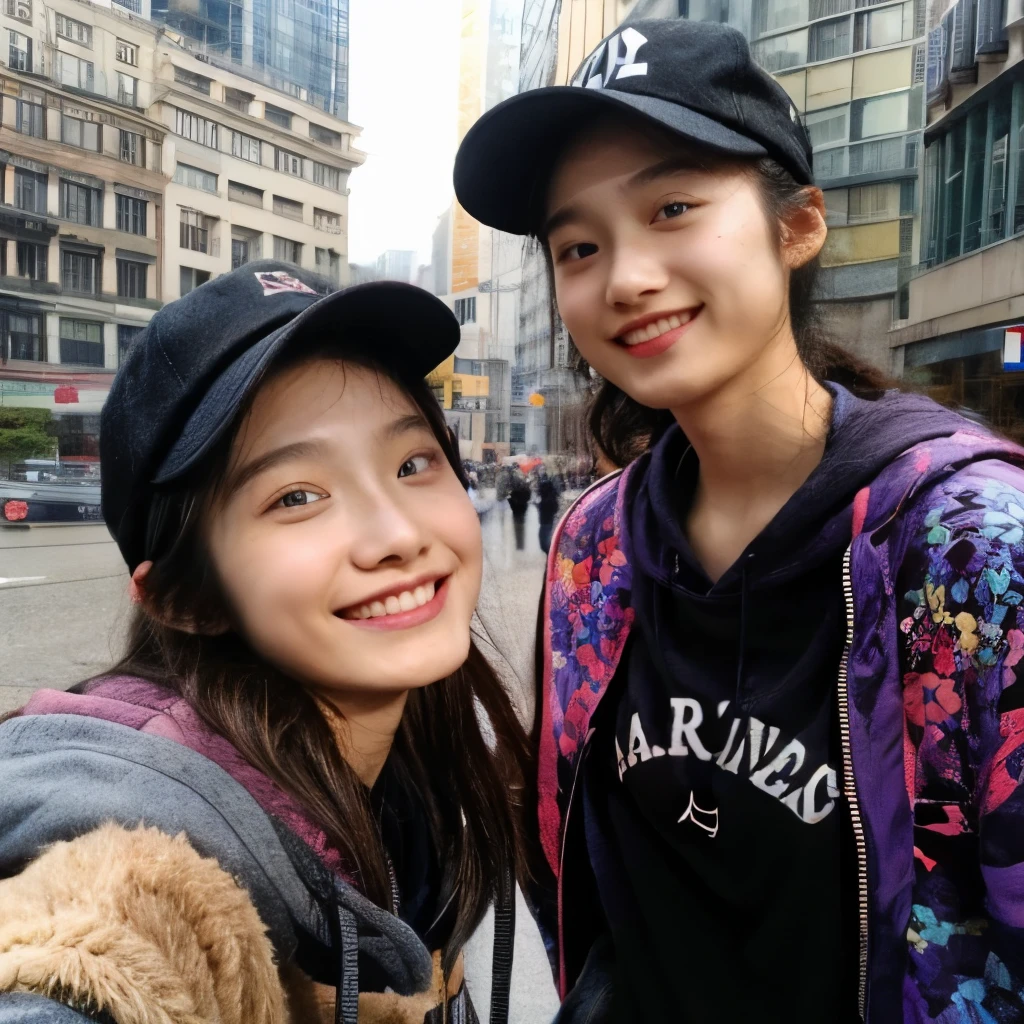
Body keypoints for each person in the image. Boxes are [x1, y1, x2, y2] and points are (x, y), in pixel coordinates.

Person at [454, 19, 1024, 1024]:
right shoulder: (594, 546)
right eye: (578, 245)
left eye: (672, 207)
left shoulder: (970, 547)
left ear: (796, 225)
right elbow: (570, 860)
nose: (624, 276)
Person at [0, 261, 553, 1024]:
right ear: (185, 598)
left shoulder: (411, 777)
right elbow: (82, 958)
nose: (398, 534)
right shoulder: (142, 858)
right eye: (298, 497)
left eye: (413, 462)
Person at [536, 467, 562, 555]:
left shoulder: (546, 502)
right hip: (547, 525)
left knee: (545, 546)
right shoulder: (549, 500)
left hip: (546, 525)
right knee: (546, 547)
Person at [507, 468, 532, 551]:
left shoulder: (514, 487)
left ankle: (519, 544)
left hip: (517, 508)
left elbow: (512, 497)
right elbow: (528, 495)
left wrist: (512, 502)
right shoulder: (525, 485)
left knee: (517, 526)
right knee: (521, 526)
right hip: (522, 507)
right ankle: (521, 544)